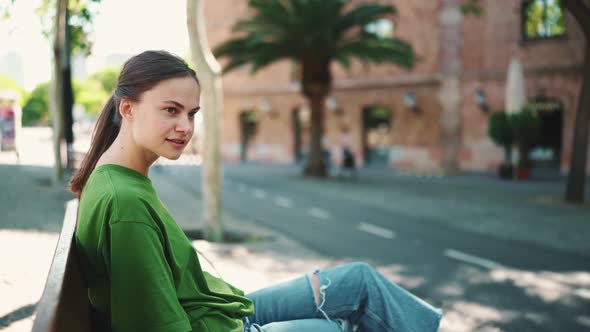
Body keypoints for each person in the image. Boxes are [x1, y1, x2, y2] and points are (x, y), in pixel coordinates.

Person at [69, 50, 442, 332]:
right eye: (171, 110)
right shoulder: (125, 203)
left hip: (226, 309)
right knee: (340, 329)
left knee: (358, 280)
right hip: (227, 326)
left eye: (192, 113)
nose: (185, 126)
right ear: (128, 108)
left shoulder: (117, 177)